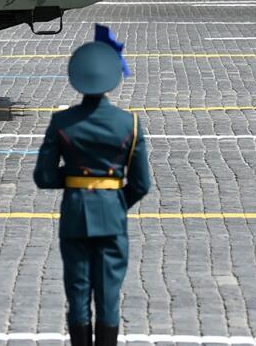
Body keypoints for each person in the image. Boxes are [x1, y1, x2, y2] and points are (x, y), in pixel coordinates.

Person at [34, 25, 152, 346]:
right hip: (112, 214)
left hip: (75, 213)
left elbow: (43, 177)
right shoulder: (130, 123)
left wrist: (74, 180)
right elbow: (141, 183)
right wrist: (113, 197)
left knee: (78, 291)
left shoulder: (62, 123)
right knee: (109, 293)